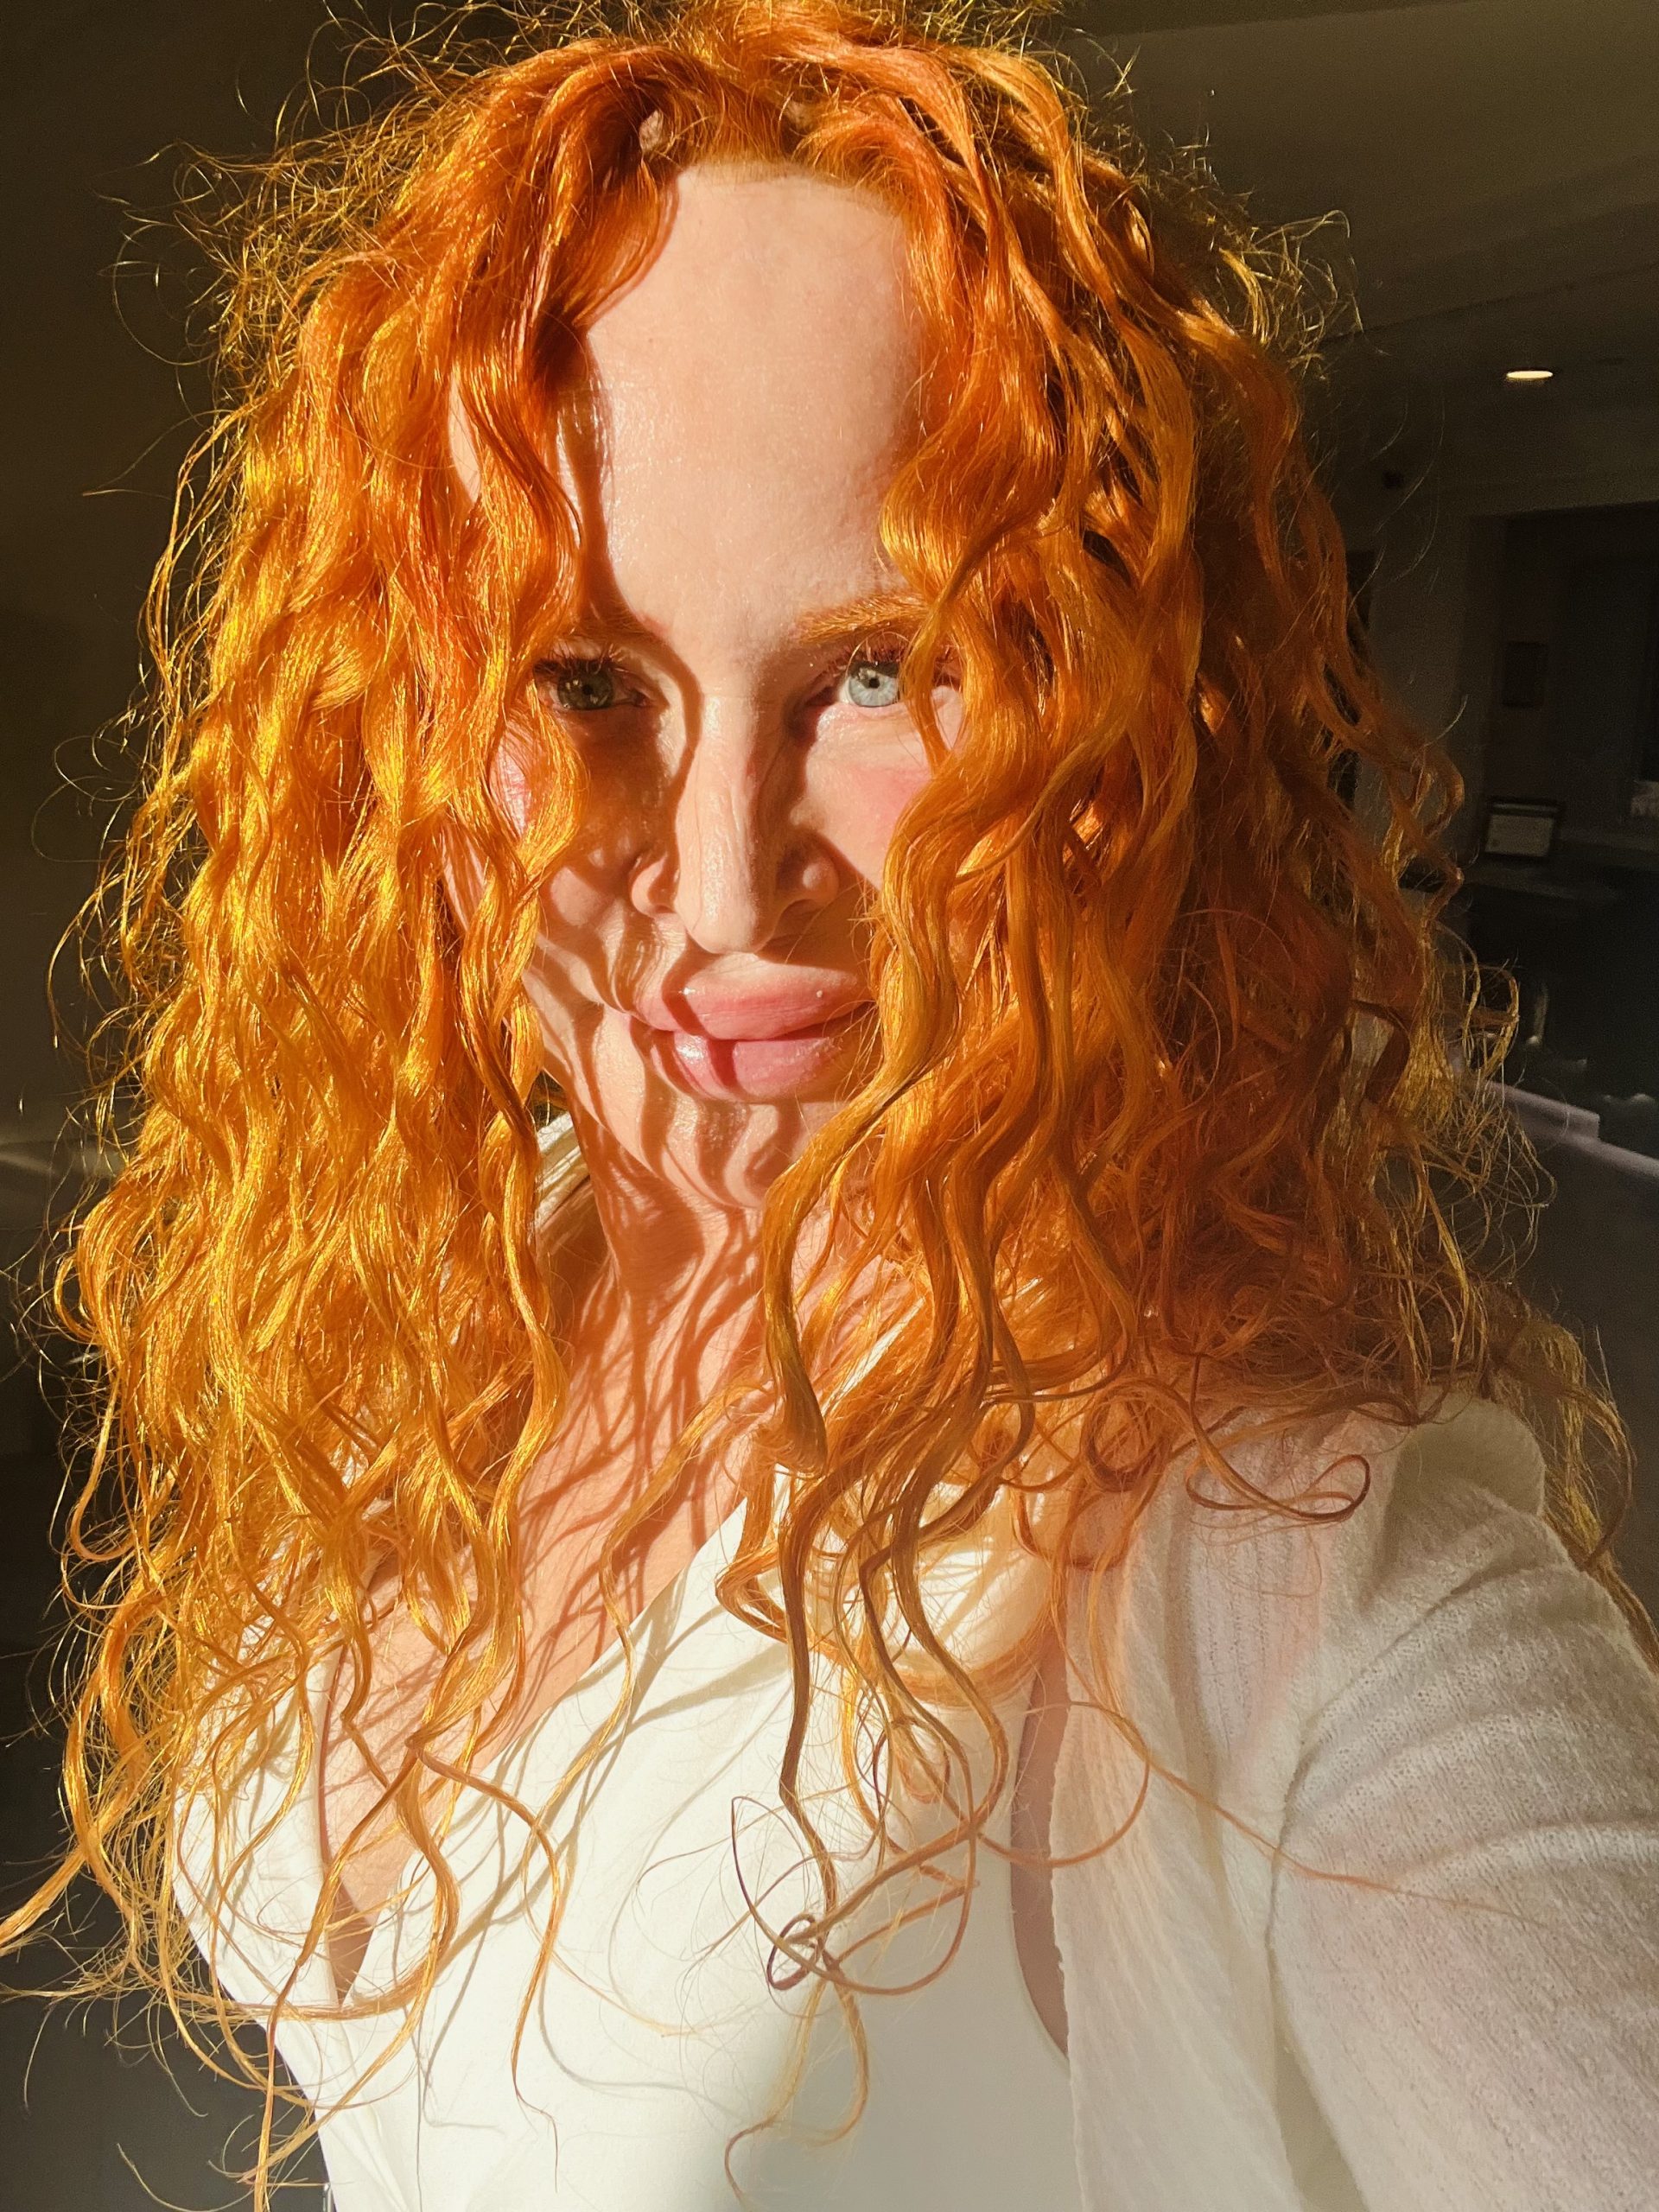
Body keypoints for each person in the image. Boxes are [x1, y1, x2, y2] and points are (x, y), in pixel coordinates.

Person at [6, 3, 1658, 2209]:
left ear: (1108, 726)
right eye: (583, 679)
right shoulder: (494, 1255)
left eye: (881, 667)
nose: (720, 886)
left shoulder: (1307, 1589)